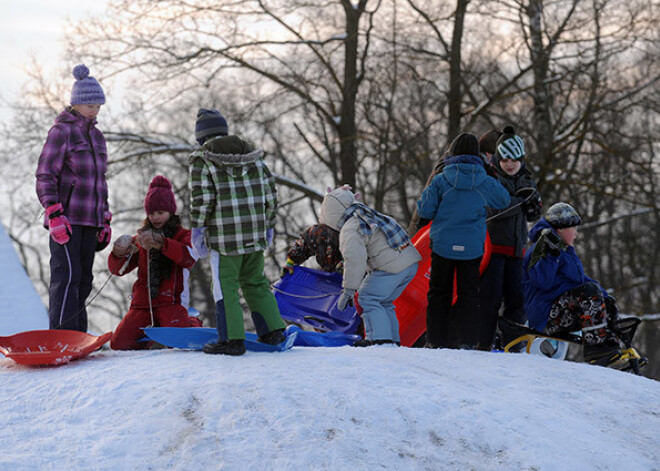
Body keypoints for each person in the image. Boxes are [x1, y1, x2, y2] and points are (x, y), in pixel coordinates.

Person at [189, 108, 286, 356]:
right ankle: (273, 330)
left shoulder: (203, 161)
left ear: (201, 138)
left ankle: (231, 339)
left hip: (224, 239)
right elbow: (270, 196)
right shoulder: (254, 158)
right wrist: (269, 225)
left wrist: (198, 229)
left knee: (226, 286)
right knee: (256, 281)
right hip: (254, 234)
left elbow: (203, 199)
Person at [35, 64, 111, 332]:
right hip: (66, 220)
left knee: (85, 278)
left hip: (90, 219)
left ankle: (77, 335)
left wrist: (105, 217)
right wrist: (54, 212)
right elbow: (46, 174)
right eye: (90, 104)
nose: (95, 109)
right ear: (77, 103)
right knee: (67, 276)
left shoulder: (98, 138)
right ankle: (61, 335)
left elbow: (100, 180)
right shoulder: (62, 132)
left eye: (98, 105)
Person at [417, 132, 510, 349]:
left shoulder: (441, 179)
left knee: (439, 293)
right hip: (471, 248)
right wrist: (491, 176)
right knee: (469, 294)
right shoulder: (484, 180)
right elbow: (503, 200)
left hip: (442, 246)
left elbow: (425, 209)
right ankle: (468, 341)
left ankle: (436, 340)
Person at [319, 185, 421, 346]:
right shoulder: (367, 214)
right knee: (384, 301)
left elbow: (355, 259)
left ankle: (379, 341)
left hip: (392, 267)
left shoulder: (350, 228)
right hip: (409, 263)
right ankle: (392, 341)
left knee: (368, 297)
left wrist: (348, 290)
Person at [522, 202, 622, 366]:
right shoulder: (542, 248)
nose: (576, 234)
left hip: (562, 311)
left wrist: (606, 298)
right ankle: (594, 346)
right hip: (544, 315)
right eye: (573, 229)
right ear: (561, 229)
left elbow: (582, 280)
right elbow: (542, 281)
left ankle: (609, 343)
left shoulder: (567, 251)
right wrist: (552, 256)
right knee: (588, 292)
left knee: (602, 298)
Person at [108, 175, 201, 350]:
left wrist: (161, 243)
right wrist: (118, 253)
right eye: (151, 213)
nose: (155, 218)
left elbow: (189, 258)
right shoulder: (142, 239)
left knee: (181, 342)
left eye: (160, 213)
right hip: (142, 305)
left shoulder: (183, 235)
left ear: (170, 212)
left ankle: (192, 323)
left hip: (171, 302)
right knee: (119, 344)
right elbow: (117, 270)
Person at [477, 126, 542, 351]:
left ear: (521, 159)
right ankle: (483, 343)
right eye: (505, 159)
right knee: (490, 298)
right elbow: (496, 208)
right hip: (494, 249)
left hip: (516, 250)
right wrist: (520, 203)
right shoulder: (490, 177)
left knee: (518, 299)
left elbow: (533, 213)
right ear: (498, 159)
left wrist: (534, 206)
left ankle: (512, 345)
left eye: (514, 160)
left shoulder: (526, 179)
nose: (509, 164)